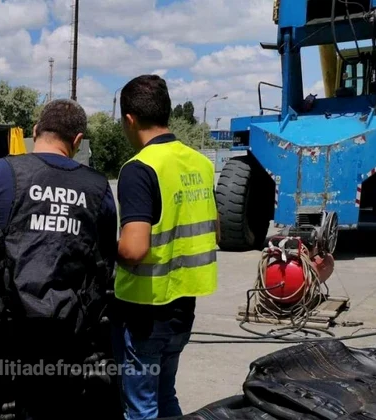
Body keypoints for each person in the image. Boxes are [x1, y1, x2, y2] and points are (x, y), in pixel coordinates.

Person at [0, 99, 118, 420]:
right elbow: (104, 266)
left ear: (35, 131)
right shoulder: (97, 187)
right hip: (60, 333)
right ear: (78, 140)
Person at [110, 75, 219, 420]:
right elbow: (216, 231)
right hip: (184, 309)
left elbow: (134, 249)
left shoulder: (140, 169)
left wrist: (98, 243)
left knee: (141, 407)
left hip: (145, 312)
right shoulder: (201, 163)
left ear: (130, 119)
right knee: (165, 393)